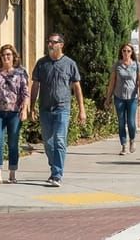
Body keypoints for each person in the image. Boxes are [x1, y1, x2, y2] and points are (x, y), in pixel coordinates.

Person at [30, 32, 85, 187]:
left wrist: (82, 109)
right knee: (48, 143)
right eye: (49, 42)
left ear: (61, 45)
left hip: (62, 108)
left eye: (53, 42)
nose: (50, 45)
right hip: (45, 108)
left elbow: (77, 87)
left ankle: (57, 174)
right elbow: (35, 86)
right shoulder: (42, 63)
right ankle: (54, 167)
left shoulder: (70, 64)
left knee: (60, 141)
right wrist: (32, 107)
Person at [0, 44, 29, 186]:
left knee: (13, 143)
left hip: (14, 112)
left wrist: (25, 109)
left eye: (8, 55)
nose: (6, 57)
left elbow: (25, 93)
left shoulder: (21, 73)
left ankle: (12, 173)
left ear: (14, 56)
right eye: (3, 55)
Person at [105, 43, 140, 156]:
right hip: (119, 96)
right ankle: (124, 146)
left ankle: (132, 140)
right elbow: (112, 82)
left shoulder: (137, 65)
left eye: (128, 51)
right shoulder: (117, 65)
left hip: (132, 97)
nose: (126, 53)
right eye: (124, 51)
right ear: (121, 52)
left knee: (131, 122)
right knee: (121, 122)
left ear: (132, 53)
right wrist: (108, 98)